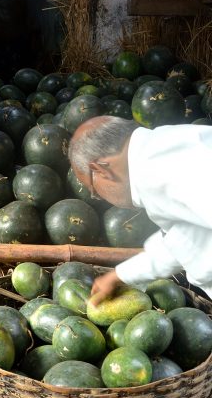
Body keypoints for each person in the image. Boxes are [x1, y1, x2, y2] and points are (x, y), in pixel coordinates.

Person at [68, 115, 212, 304]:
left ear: (101, 170)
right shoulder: (168, 146)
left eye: (94, 191)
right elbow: (185, 239)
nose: (100, 197)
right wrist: (120, 275)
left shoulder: (153, 173)